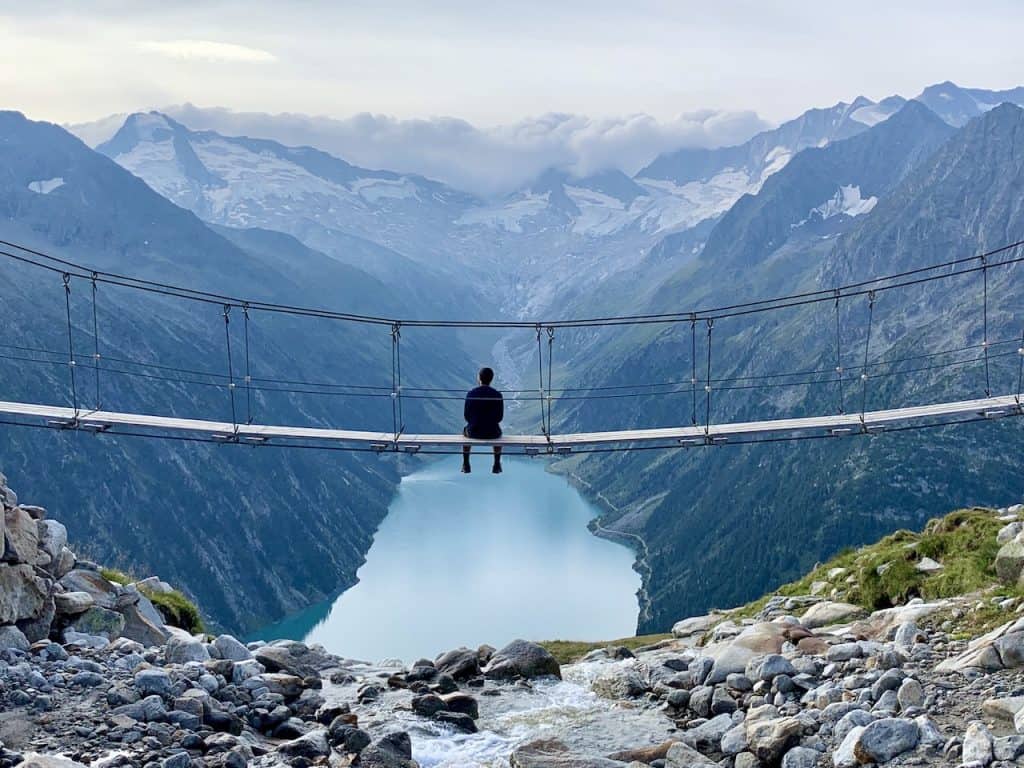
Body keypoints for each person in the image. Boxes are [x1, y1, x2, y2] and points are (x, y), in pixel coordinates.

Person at [462, 366, 503, 474]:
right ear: (491, 379)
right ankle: (497, 464)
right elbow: (499, 418)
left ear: (479, 378)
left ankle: (466, 464)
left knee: (464, 431)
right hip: (492, 433)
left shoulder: (470, 394)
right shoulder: (497, 395)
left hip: (473, 432)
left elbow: (466, 416)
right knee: (499, 431)